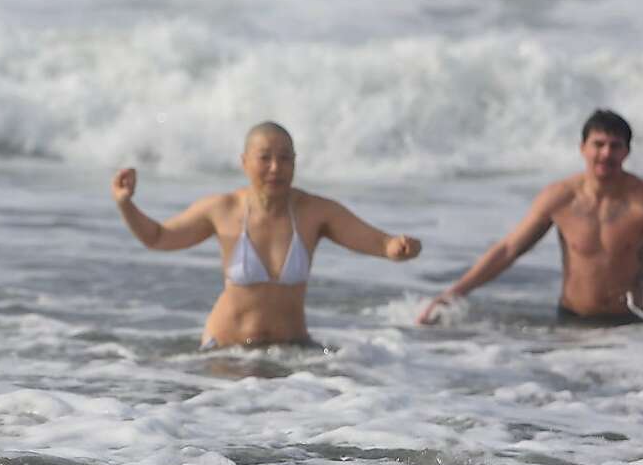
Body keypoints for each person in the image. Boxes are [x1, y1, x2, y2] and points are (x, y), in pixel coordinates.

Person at [112, 121, 422, 348]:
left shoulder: (314, 212)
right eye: (265, 157)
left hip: (293, 354)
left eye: (285, 158)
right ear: (244, 161)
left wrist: (400, 246)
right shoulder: (223, 209)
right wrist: (126, 204)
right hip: (224, 352)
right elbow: (158, 237)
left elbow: (382, 243)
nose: (276, 167)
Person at [417, 110, 643, 327]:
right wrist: (453, 294)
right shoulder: (560, 198)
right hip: (570, 325)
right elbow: (508, 250)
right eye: (599, 144)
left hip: (628, 330)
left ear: (627, 152)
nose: (606, 153)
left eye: (615, 146)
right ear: (582, 148)